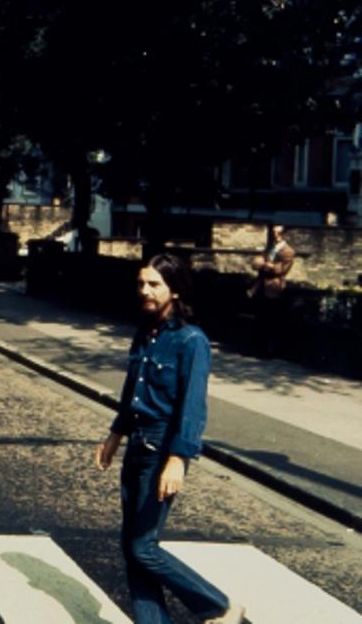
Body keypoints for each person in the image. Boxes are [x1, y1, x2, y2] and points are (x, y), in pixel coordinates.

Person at [95, 253, 244, 624]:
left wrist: (178, 459)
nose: (144, 291)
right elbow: (134, 391)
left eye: (154, 284)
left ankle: (219, 606)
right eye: (141, 283)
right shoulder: (146, 332)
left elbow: (192, 407)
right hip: (137, 444)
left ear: (174, 290)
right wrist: (115, 435)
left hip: (162, 448)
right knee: (132, 549)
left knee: (143, 547)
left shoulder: (192, 341)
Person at [248, 224, 295, 358]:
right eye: (273, 232)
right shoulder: (270, 248)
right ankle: (259, 348)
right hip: (261, 286)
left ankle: (271, 351)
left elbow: (280, 270)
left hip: (274, 288)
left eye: (277, 233)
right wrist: (265, 265)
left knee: (272, 320)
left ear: (283, 234)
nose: (275, 236)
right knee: (261, 318)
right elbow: (256, 263)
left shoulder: (288, 251)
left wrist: (266, 265)